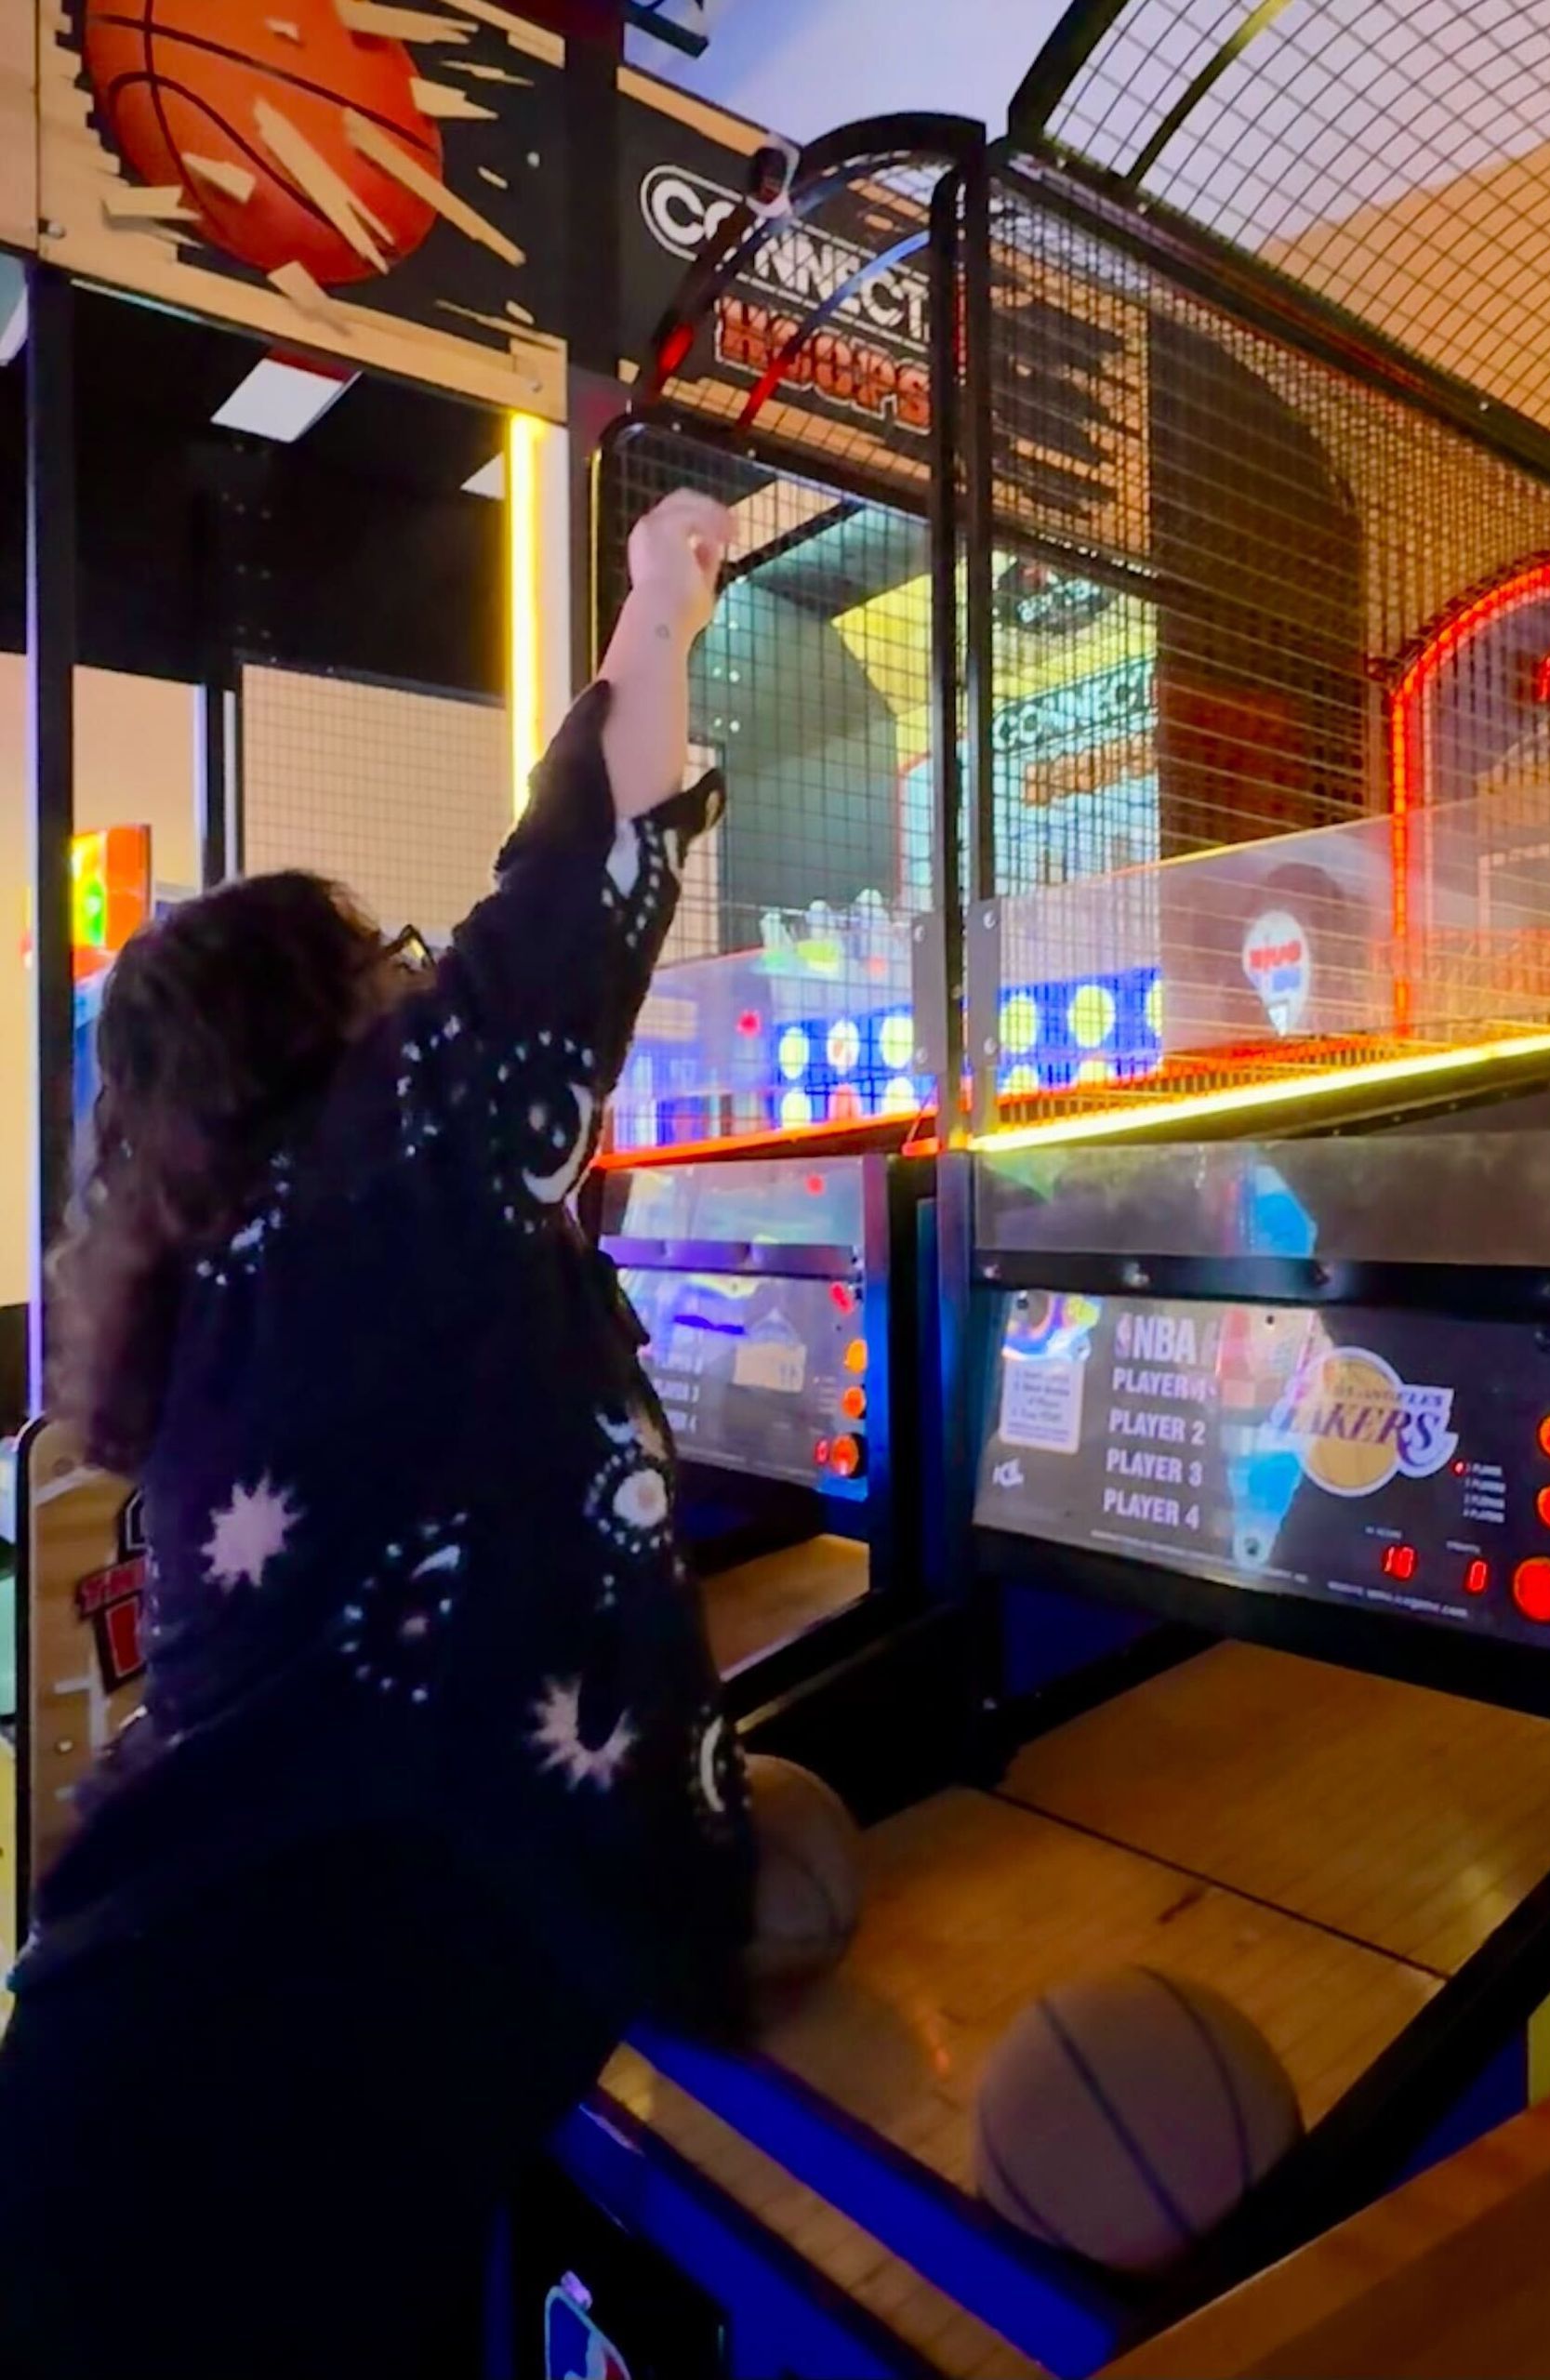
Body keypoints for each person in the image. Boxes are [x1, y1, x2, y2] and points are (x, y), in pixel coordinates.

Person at [0, 490, 754, 2379]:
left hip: (151, 2088)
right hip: (244, 2126)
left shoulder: (243, 1289)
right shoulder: (383, 1172)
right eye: (390, 970)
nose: (426, 986)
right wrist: (658, 596)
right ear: (326, 1028)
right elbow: (576, 877)